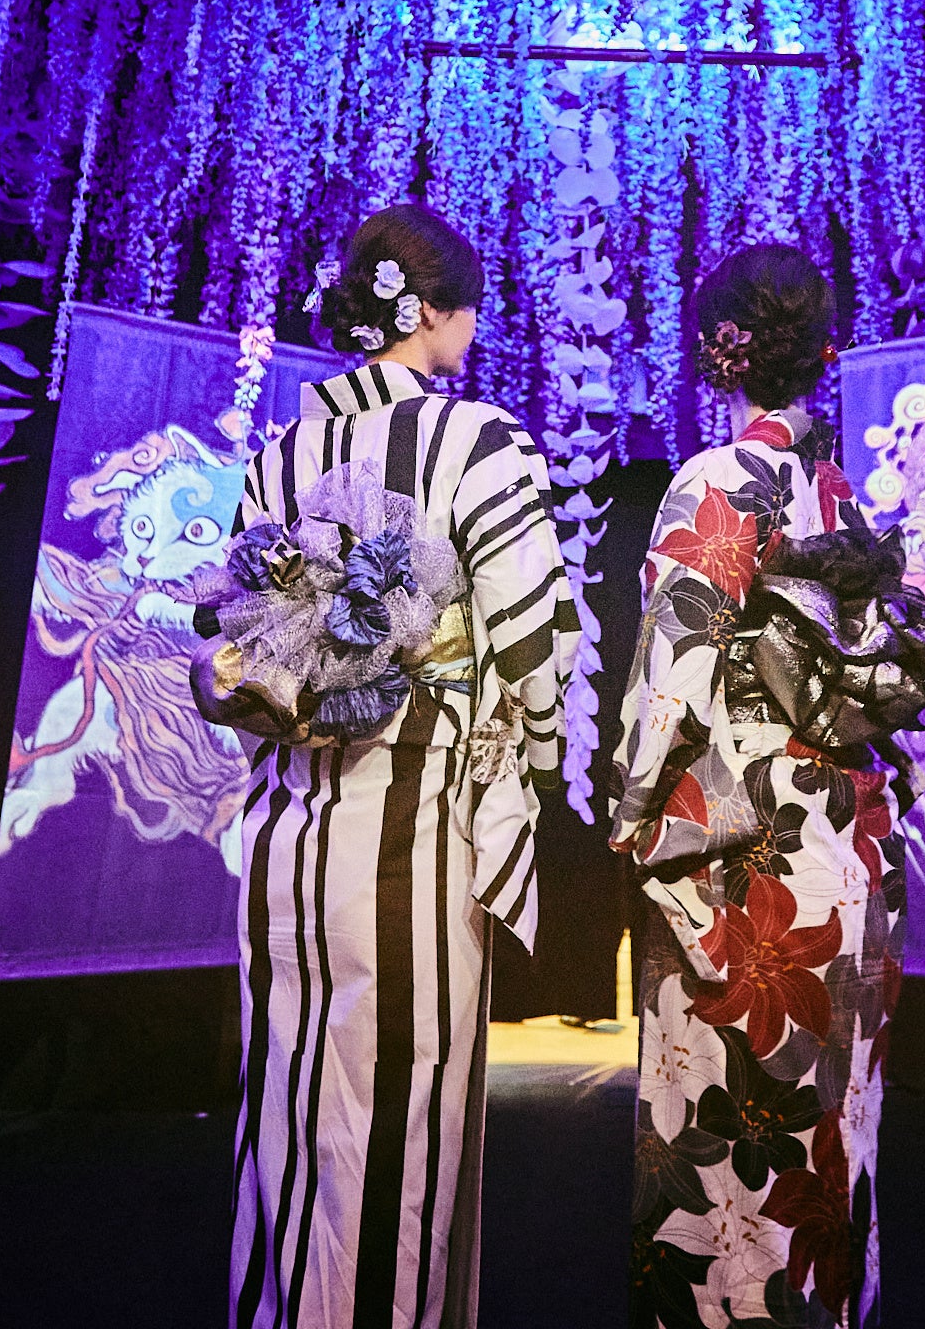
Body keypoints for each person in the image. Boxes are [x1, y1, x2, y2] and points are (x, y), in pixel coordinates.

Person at [211, 204, 579, 1329]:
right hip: (413, 820)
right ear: (428, 312)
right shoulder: (476, 439)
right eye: (467, 306)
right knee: (403, 1111)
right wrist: (540, 756)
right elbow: (533, 636)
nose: (473, 326)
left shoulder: (278, 455)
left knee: (287, 1104)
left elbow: (237, 632)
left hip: (285, 827)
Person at [610, 245, 925, 1329]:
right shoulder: (844, 498)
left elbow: (674, 681)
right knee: (835, 1134)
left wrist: (633, 811)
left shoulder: (715, 482)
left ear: (720, 351)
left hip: (744, 851)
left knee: (728, 1141)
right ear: (821, 352)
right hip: (850, 842)